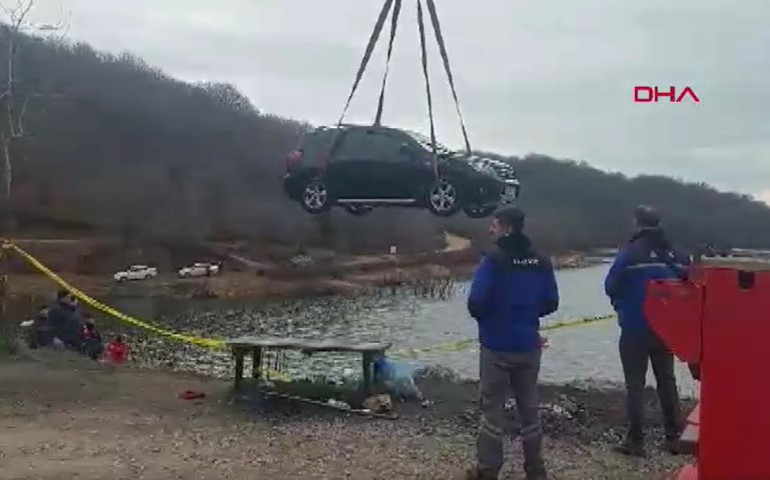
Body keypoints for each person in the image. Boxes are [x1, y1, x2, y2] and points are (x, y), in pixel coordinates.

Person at [463, 206, 559, 480]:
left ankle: (488, 469)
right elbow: (551, 302)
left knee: (492, 409)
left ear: (505, 226)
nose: (490, 230)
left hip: (496, 345)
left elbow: (476, 303)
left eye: (493, 225)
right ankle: (535, 469)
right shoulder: (541, 261)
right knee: (529, 407)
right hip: (528, 344)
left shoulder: (494, 260)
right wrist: (527, 315)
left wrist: (496, 318)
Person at [604, 205, 690, 457]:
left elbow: (610, 285)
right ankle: (674, 438)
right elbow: (691, 283)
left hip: (634, 327)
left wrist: (622, 301)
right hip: (666, 329)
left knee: (635, 385)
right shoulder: (675, 253)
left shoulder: (629, 253)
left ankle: (636, 442)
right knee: (667, 381)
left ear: (637, 224)